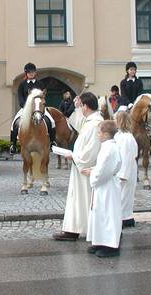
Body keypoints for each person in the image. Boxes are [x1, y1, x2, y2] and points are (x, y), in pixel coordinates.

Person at [52, 92, 104, 242]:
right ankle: (72, 228)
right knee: (76, 198)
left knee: (82, 199)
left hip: (85, 168)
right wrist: (75, 107)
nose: (80, 109)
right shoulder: (90, 120)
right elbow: (77, 125)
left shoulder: (95, 123)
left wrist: (73, 156)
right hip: (79, 166)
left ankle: (80, 228)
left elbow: (92, 150)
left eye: (81, 106)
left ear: (86, 106)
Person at [82, 120, 123, 258]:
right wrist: (93, 170)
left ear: (106, 134)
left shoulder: (109, 148)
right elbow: (102, 167)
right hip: (103, 185)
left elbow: (104, 170)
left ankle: (111, 246)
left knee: (108, 215)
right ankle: (100, 241)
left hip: (106, 186)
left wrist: (92, 174)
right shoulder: (107, 146)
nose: (97, 135)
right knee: (99, 214)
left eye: (99, 132)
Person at [9, 63, 56, 154]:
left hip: (39, 108)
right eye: (29, 72)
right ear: (26, 73)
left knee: (51, 121)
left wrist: (40, 106)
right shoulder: (22, 85)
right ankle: (13, 145)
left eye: (33, 72)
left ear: (35, 73)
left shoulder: (40, 84)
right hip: (26, 109)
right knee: (14, 123)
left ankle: (52, 142)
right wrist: (26, 106)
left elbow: (43, 96)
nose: (31, 74)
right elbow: (21, 98)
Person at [114, 110, 139, 229]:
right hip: (122, 169)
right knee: (121, 195)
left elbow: (126, 156)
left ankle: (125, 218)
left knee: (125, 195)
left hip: (126, 170)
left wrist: (122, 173)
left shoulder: (126, 138)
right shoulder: (119, 135)